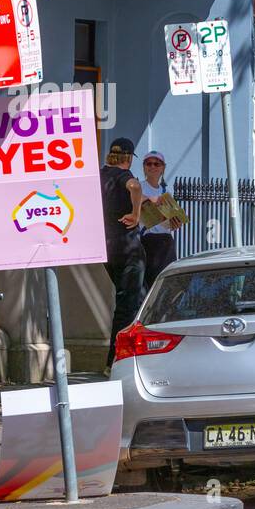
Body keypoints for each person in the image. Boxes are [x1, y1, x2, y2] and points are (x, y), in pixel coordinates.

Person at [100, 138, 146, 367]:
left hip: (107, 249)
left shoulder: (100, 175)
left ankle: (133, 353)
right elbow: (135, 187)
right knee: (130, 304)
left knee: (138, 299)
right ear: (128, 158)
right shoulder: (123, 176)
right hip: (128, 248)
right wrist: (136, 214)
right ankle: (115, 359)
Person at [138, 150, 181, 288]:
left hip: (165, 242)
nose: (153, 167)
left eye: (157, 164)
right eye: (148, 163)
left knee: (167, 283)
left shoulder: (165, 192)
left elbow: (167, 222)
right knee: (150, 283)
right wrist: (149, 200)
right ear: (144, 167)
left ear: (163, 168)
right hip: (147, 241)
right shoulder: (139, 187)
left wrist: (174, 223)